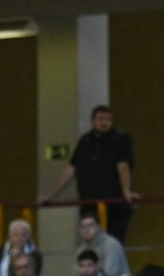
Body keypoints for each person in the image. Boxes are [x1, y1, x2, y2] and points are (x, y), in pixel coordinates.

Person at [44, 103, 139, 240]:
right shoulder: (86, 141)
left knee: (114, 241)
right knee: (91, 241)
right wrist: (52, 195)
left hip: (114, 203)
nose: (104, 122)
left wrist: (126, 191)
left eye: (108, 119)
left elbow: (123, 166)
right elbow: (71, 169)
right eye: (100, 119)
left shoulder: (120, 138)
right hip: (89, 203)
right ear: (93, 121)